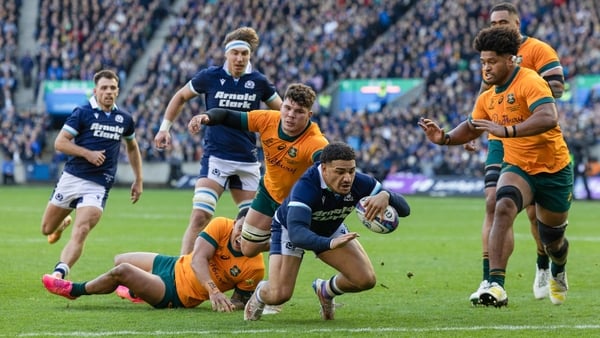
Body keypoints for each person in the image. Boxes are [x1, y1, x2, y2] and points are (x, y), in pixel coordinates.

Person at [419, 25, 572, 307]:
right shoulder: (487, 96)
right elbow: (472, 126)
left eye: (492, 62)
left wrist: (507, 131)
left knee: (554, 242)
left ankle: (559, 267)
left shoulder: (530, 81)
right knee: (502, 206)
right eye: (482, 62)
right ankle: (496, 285)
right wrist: (445, 138)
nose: (486, 69)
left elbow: (549, 116)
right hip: (518, 168)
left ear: (510, 60)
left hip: (553, 169)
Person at [243, 142, 411, 321]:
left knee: (365, 280)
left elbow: (405, 210)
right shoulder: (307, 186)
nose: (347, 178)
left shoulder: (360, 182)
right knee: (279, 295)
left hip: (330, 227)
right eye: (340, 172)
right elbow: (297, 233)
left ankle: (325, 290)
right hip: (290, 229)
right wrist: (328, 244)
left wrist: (387, 195)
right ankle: (261, 293)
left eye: (351, 171)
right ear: (324, 169)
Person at [467, 2, 566, 304]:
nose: (498, 26)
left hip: (533, 132)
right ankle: (492, 281)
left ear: (518, 23)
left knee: (541, 222)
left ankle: (544, 263)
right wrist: (473, 129)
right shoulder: (491, 59)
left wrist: (522, 86)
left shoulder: (538, 51)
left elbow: (557, 89)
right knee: (496, 201)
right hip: (502, 135)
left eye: (503, 22)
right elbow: (487, 94)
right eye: (494, 22)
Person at [154, 26, 282, 255]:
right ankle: (182, 274)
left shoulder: (259, 82)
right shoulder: (210, 76)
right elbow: (181, 96)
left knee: (254, 229)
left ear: (250, 55)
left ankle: (243, 278)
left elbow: (283, 113)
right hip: (216, 158)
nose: (240, 58)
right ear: (227, 54)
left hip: (247, 161)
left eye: (245, 54)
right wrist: (165, 129)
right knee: (200, 216)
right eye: (235, 53)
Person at [188, 83, 329, 258]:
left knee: (361, 277)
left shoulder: (316, 142)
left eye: (299, 111)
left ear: (309, 115)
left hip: (296, 202)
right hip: (268, 194)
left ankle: (298, 246)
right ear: (282, 105)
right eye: (287, 108)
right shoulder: (268, 119)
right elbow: (225, 115)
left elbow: (328, 167)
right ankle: (282, 239)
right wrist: (205, 117)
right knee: (247, 248)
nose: (291, 115)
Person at [42, 208, 265, 311]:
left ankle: (74, 290)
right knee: (118, 258)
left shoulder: (255, 268)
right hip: (174, 264)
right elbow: (198, 259)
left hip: (176, 293)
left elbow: (240, 299)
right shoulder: (221, 225)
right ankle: (135, 292)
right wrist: (214, 291)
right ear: (234, 223)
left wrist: (231, 305)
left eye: (250, 232)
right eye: (240, 228)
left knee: (122, 271)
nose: (242, 235)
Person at [41, 69, 143, 280]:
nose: (108, 92)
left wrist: (138, 179)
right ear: (95, 90)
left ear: (118, 91)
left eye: (112, 88)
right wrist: (87, 154)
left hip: (98, 184)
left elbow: (132, 147)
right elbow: (60, 143)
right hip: (72, 177)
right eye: (104, 88)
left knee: (82, 230)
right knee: (46, 229)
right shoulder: (83, 112)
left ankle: (59, 274)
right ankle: (61, 225)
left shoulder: (124, 119)